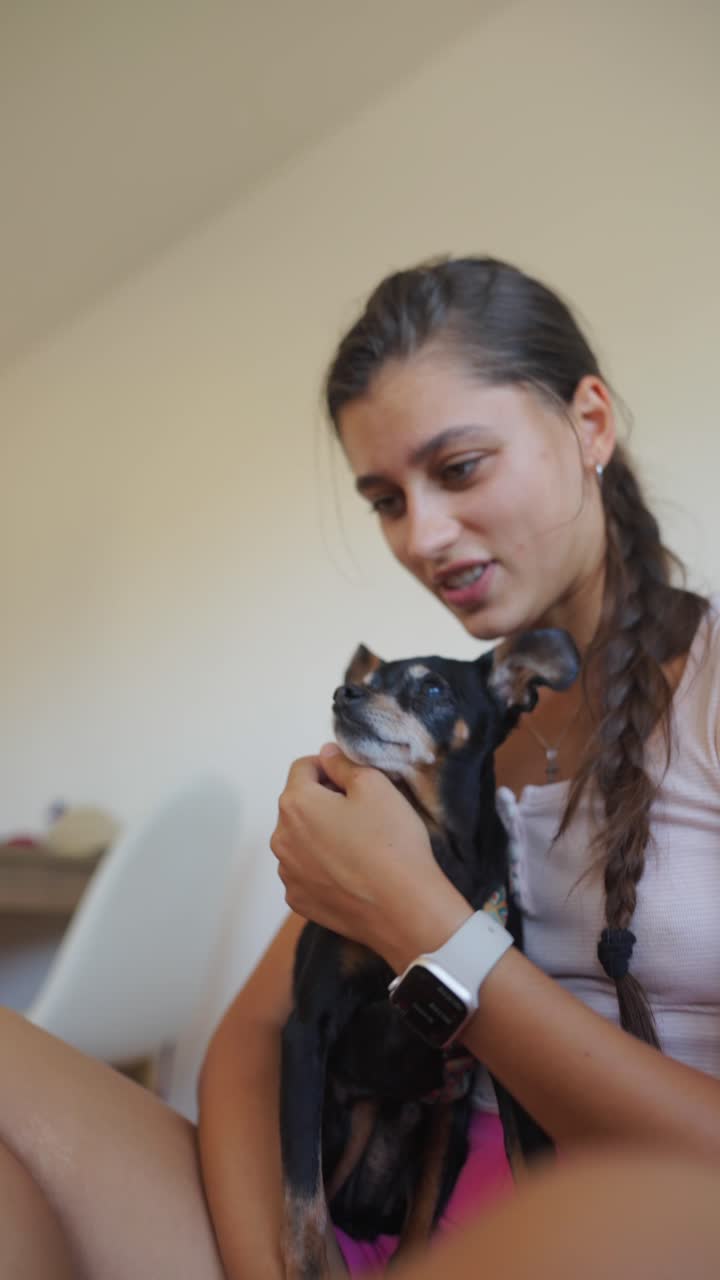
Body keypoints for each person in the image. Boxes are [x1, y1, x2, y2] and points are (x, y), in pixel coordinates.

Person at [0, 256, 719, 1280]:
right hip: (363, 1209)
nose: (422, 536)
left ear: (589, 423)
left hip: (621, 1215)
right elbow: (257, 1039)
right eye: (386, 497)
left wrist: (422, 923)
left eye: (460, 466)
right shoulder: (449, 740)